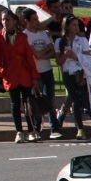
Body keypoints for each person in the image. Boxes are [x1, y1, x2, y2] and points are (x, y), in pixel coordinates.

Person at [0, 8, 40, 143]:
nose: (5, 22)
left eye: (7, 20)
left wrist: (34, 76)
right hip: (10, 75)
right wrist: (1, 70)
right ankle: (19, 131)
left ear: (14, 21)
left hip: (24, 74)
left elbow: (29, 58)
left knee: (27, 103)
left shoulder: (22, 37)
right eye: (3, 20)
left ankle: (31, 130)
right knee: (15, 104)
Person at [56, 14, 91, 139]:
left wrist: (75, 56)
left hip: (82, 73)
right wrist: (66, 56)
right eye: (73, 25)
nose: (76, 27)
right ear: (67, 26)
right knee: (75, 101)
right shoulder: (60, 41)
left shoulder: (82, 40)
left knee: (88, 100)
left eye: (77, 25)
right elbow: (58, 61)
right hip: (68, 74)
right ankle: (80, 129)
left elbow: (88, 57)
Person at [21, 9, 63, 139]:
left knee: (50, 100)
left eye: (37, 18)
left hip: (47, 70)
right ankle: (36, 129)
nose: (37, 21)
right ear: (26, 21)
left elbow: (53, 52)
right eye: (34, 19)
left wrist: (45, 52)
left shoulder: (43, 33)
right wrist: (46, 50)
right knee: (36, 102)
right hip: (35, 73)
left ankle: (54, 129)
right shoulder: (25, 35)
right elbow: (37, 55)